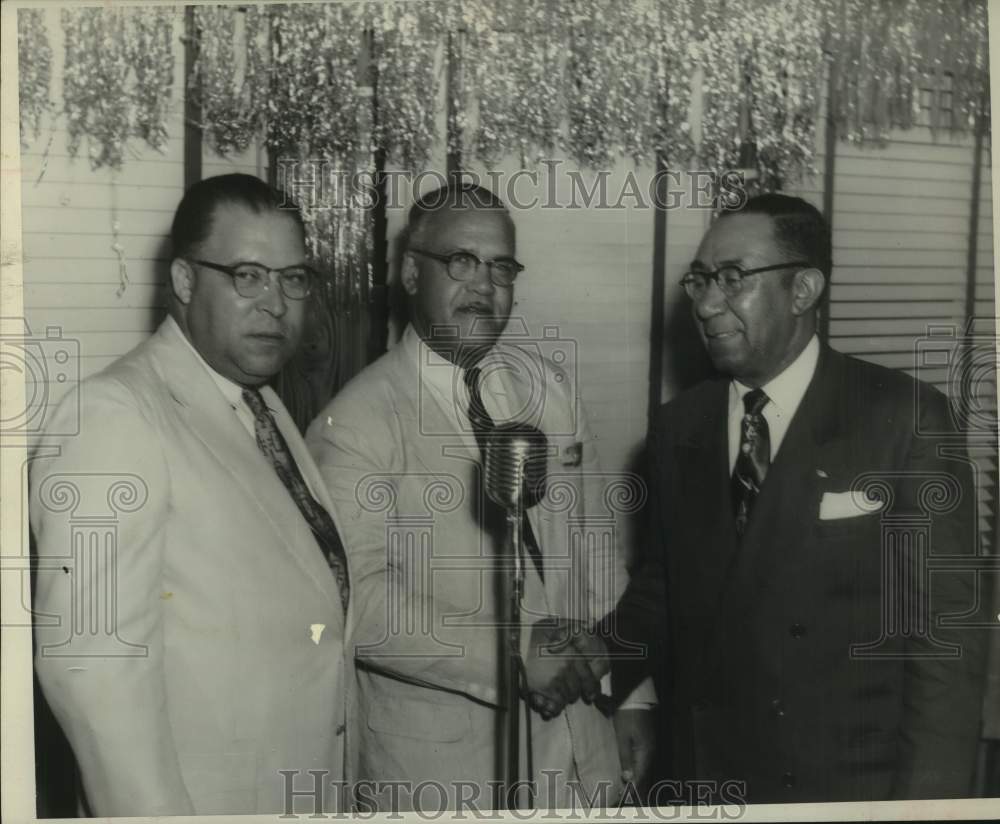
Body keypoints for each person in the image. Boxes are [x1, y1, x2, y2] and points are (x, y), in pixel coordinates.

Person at [528, 193, 988, 803]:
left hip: (844, 792)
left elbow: (945, 649)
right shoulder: (678, 428)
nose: (705, 303)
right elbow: (667, 591)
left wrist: (930, 812)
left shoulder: (903, 418)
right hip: (708, 782)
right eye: (699, 280)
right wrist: (602, 647)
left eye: (732, 278)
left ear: (803, 290)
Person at [306, 182, 651, 812]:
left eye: (501, 267)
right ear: (412, 272)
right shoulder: (355, 421)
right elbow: (356, 603)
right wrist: (515, 651)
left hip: (582, 749)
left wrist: (632, 692)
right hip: (441, 774)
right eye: (460, 263)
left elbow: (596, 549)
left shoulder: (548, 389)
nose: (484, 286)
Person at [31, 174, 353, 817]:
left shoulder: (261, 404)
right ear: (183, 281)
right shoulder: (113, 414)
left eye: (293, 279)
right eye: (247, 275)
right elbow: (94, 674)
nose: (276, 305)